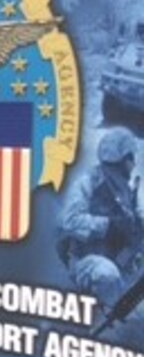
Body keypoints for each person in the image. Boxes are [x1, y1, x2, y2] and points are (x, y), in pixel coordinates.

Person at [60, 128, 144, 307]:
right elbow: (69, 221)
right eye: (131, 158)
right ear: (122, 159)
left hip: (121, 259)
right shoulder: (88, 181)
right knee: (107, 274)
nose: (133, 163)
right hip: (87, 261)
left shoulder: (126, 190)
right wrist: (108, 226)